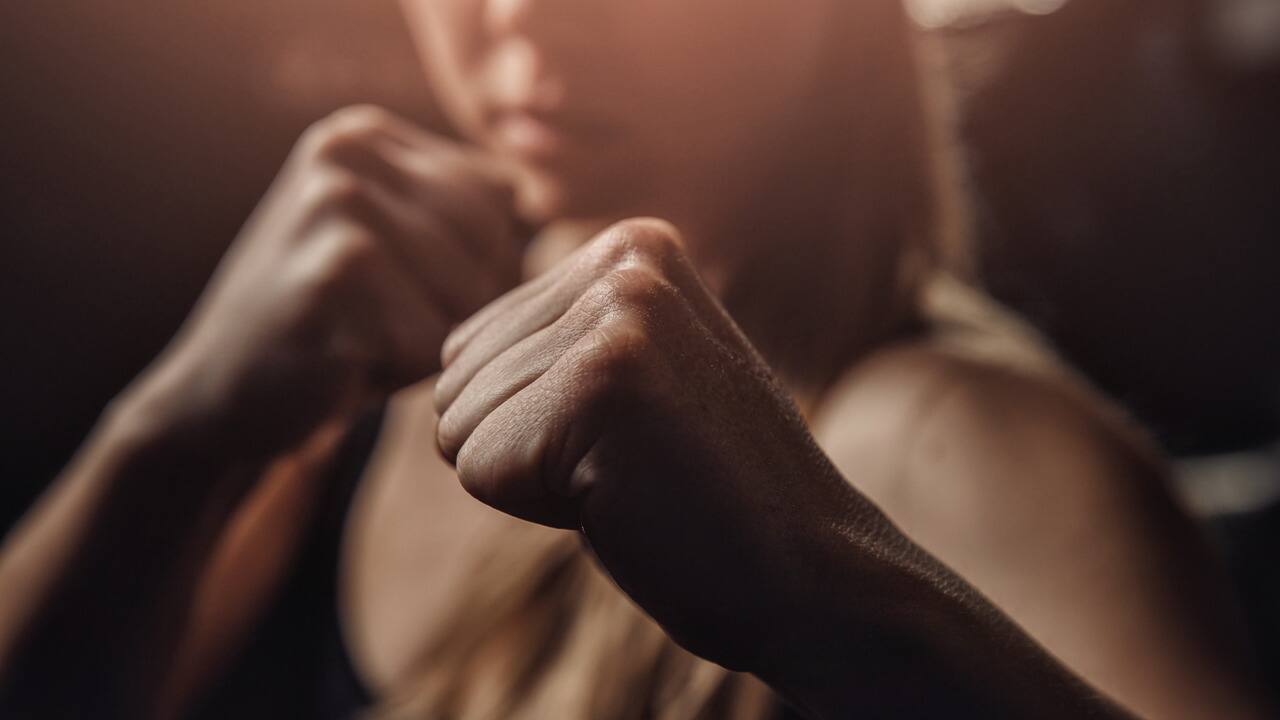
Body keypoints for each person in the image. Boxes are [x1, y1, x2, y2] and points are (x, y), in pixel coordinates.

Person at [0, 0, 1269, 717]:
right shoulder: (369, 355)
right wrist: (168, 428)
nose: (518, 19)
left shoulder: (962, 440)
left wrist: (838, 596)